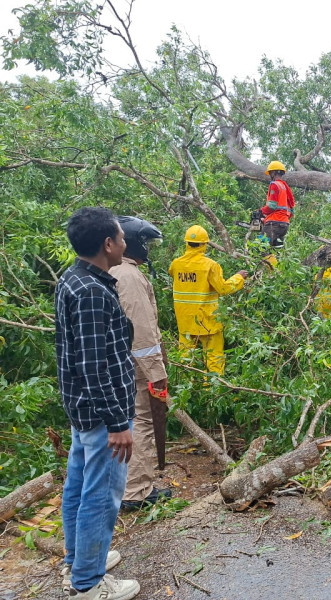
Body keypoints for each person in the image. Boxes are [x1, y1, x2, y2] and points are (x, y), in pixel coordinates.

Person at [55, 207, 140, 599]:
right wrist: (118, 423)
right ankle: (89, 584)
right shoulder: (90, 292)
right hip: (102, 413)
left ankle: (80, 559)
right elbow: (94, 366)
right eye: (121, 237)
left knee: (78, 484)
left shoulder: (73, 278)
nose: (125, 243)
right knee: (101, 494)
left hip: (81, 408)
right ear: (108, 244)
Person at [111, 216, 173, 511]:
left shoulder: (110, 269)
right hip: (134, 364)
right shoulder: (130, 276)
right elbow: (143, 330)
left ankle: (123, 485)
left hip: (117, 361)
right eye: (145, 243)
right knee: (143, 422)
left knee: (122, 424)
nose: (148, 249)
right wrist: (157, 373)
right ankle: (136, 491)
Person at [168, 225, 247, 375]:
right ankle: (213, 391)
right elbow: (223, 288)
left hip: (185, 321)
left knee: (186, 359)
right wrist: (238, 277)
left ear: (186, 243)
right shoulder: (210, 266)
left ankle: (187, 390)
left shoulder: (176, 264)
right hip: (207, 321)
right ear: (204, 244)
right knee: (214, 358)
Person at [251, 160, 295, 249]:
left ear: (273, 173)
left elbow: (272, 206)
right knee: (275, 251)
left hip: (274, 223)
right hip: (284, 224)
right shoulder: (285, 187)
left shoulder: (275, 185)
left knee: (260, 248)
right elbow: (289, 209)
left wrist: (260, 211)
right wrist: (266, 218)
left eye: (270, 172)